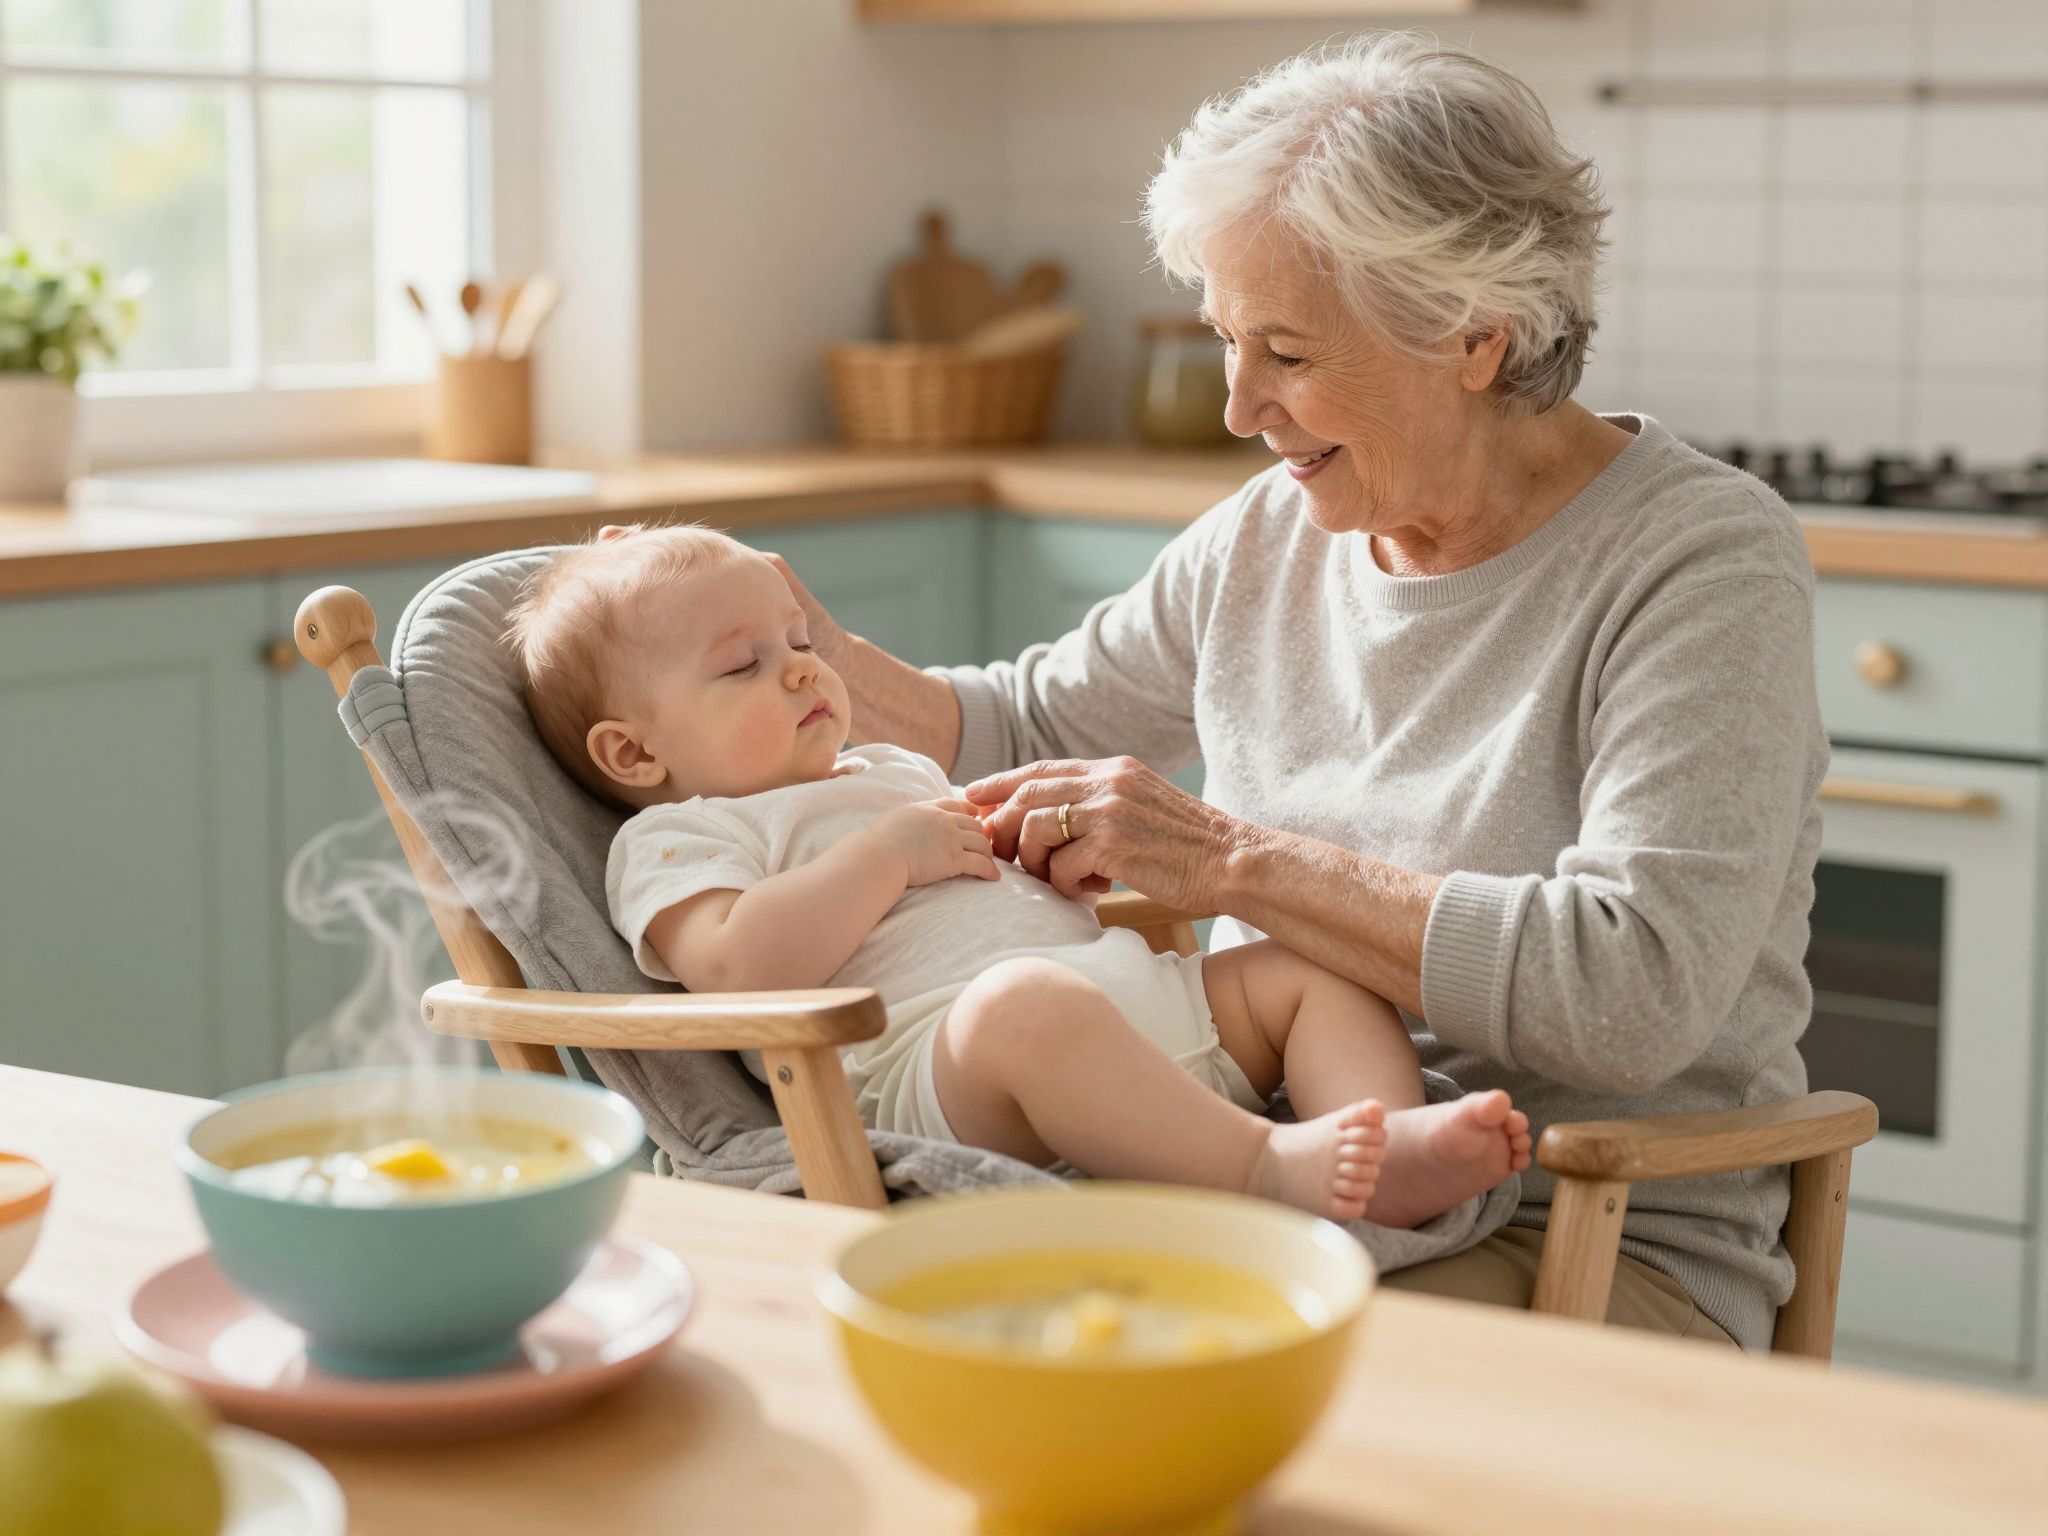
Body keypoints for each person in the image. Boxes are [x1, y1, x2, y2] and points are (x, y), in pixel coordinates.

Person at [765, 33, 1827, 1349]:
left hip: (1590, 1227)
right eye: (1225, 339)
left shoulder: (1700, 561)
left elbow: (1633, 989)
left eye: (1285, 351)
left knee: (1124, 1365)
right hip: (1268, 1183)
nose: (1237, 406)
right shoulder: (1273, 532)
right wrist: (793, 644)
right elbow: (1022, 727)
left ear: (1475, 336)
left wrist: (1230, 863)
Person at [504, 523, 1532, 1228]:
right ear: (633, 753)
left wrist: (1039, 869)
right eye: (743, 664)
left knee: (1308, 958)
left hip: (1128, 1002)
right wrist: (884, 858)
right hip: (946, 1071)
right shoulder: (683, 837)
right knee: (1024, 1006)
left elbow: (975, 887)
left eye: (800, 639)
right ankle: (1268, 1168)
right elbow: (736, 970)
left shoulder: (886, 771)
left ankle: (1381, 1147)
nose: (803, 666)